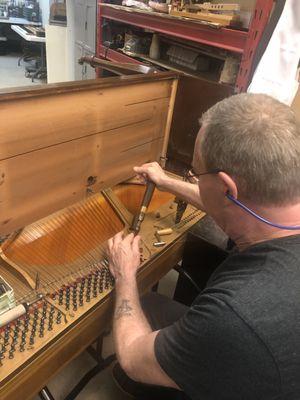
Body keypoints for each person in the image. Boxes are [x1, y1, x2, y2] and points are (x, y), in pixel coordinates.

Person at [107, 93, 300, 400]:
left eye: (196, 173)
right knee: (154, 306)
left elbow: (132, 358)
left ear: (226, 187)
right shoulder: (278, 208)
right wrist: (166, 181)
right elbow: (234, 204)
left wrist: (125, 275)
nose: (194, 179)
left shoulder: (234, 314)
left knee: (124, 369)